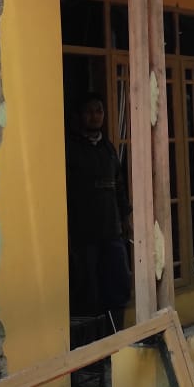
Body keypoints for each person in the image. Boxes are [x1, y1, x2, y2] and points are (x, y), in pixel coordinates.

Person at [65, 91, 131, 332]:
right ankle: (92, 349)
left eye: (99, 111)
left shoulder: (108, 149)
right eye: (90, 111)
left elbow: (119, 185)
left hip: (111, 229)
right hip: (84, 233)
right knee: (87, 291)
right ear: (80, 116)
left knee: (119, 284)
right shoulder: (70, 149)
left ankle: (117, 339)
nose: (95, 116)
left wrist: (125, 216)